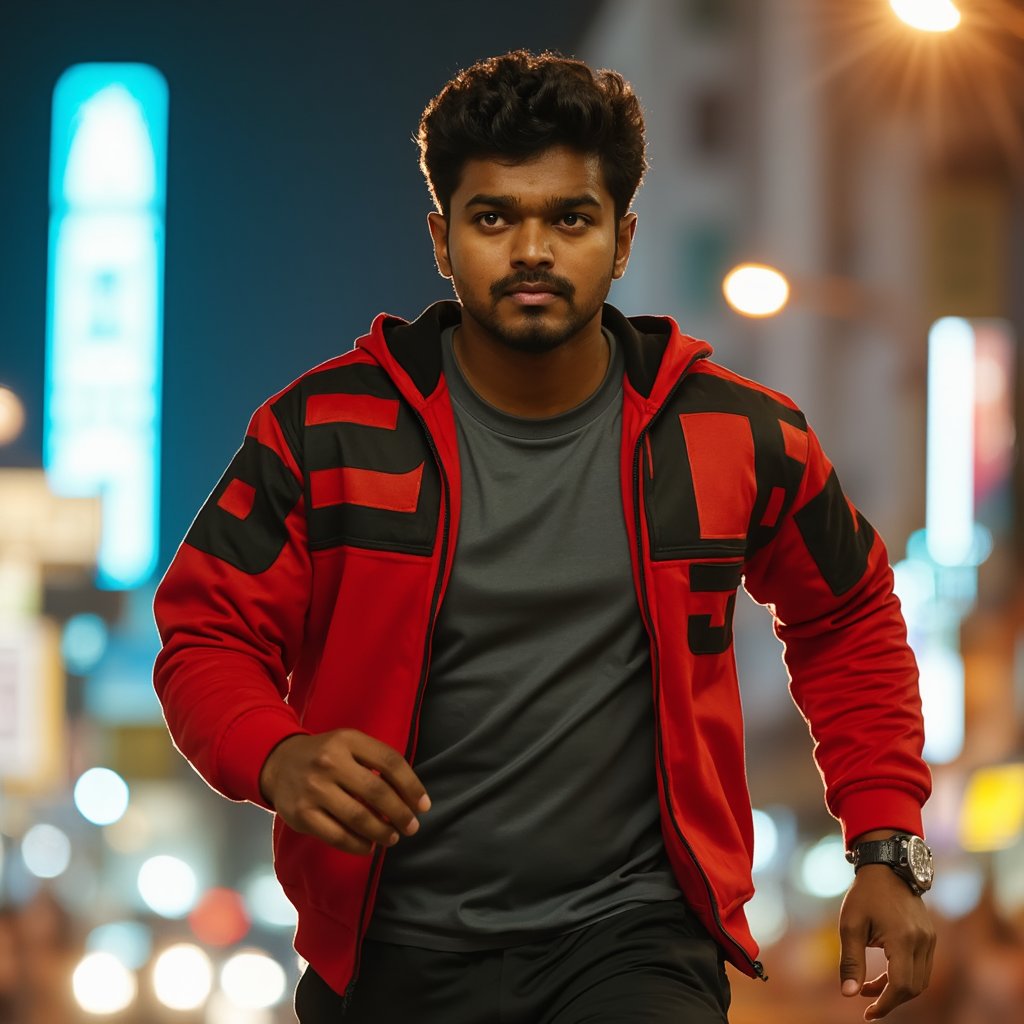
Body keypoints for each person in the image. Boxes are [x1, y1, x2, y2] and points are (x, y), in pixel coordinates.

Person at [153, 50, 935, 1024]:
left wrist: (885, 844)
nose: (532, 249)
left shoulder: (736, 434)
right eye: (494, 217)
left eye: (569, 217)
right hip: (393, 951)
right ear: (442, 239)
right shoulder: (323, 432)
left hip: (634, 942)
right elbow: (206, 632)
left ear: (621, 239)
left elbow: (847, 613)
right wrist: (275, 753)